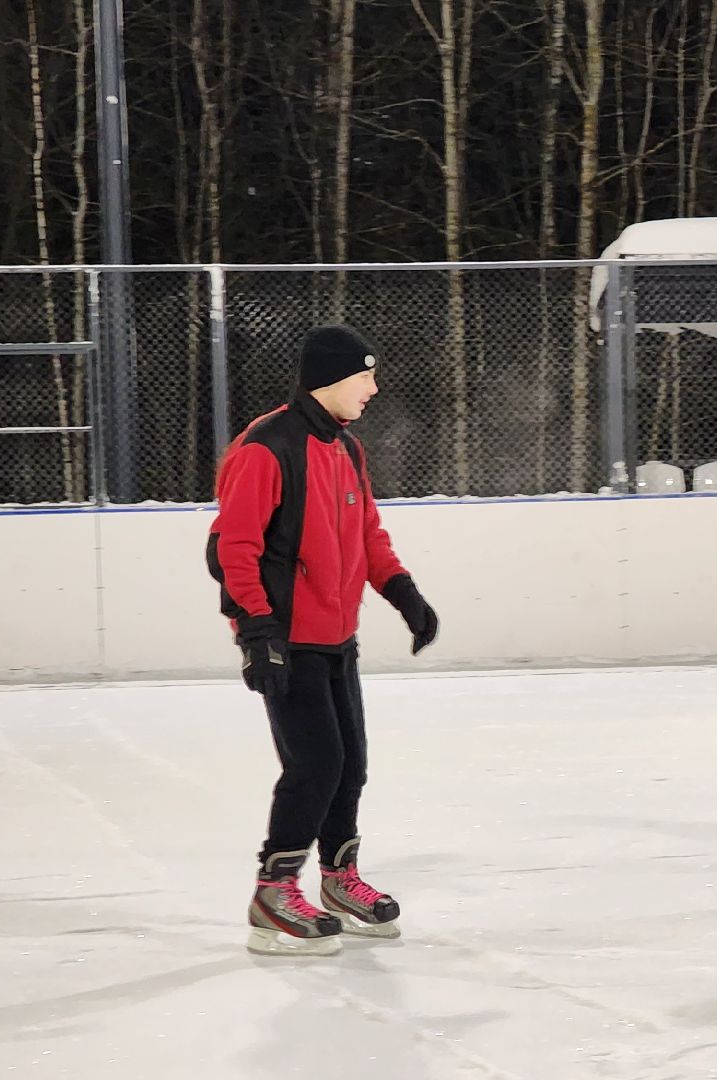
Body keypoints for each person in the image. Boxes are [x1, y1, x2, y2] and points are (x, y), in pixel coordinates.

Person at [208, 325, 440, 955]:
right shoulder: (267, 447)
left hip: (337, 638)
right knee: (315, 764)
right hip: (285, 639)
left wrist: (403, 592)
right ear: (332, 379)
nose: (373, 387)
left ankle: (339, 879)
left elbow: (368, 534)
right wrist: (256, 631)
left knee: (351, 765)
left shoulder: (345, 450)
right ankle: (273, 891)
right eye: (364, 376)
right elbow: (235, 546)